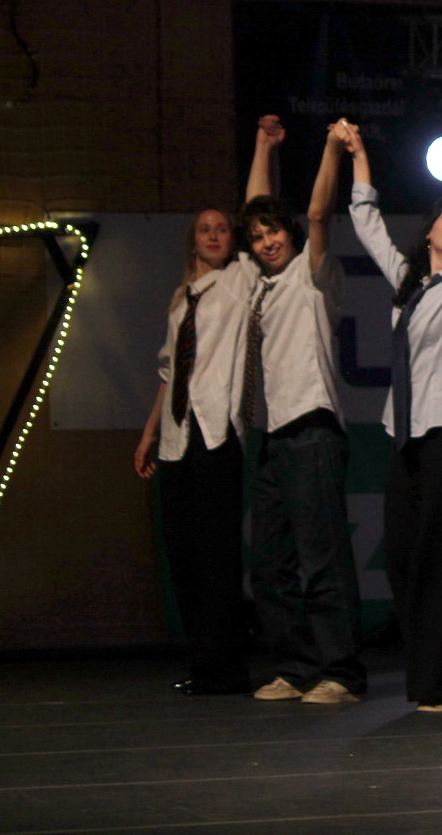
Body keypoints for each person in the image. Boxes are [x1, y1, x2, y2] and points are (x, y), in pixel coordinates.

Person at [343, 120, 442, 712]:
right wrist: (359, 152)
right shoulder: (409, 281)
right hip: (404, 434)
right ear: (428, 232)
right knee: (406, 558)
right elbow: (365, 222)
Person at [235, 115, 366, 705]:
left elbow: (317, 213)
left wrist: (331, 149)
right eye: (258, 236)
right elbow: (253, 206)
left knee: (323, 560)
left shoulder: (312, 276)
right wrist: (263, 146)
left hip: (313, 429)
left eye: (273, 232)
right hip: (272, 436)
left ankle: (343, 673)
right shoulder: (256, 283)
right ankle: (295, 666)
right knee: (269, 566)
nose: (267, 241)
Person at [133, 207, 255, 695]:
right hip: (176, 436)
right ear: (192, 241)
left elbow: (256, 199)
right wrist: (149, 434)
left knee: (216, 555)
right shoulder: (181, 298)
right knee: (182, 553)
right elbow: (169, 373)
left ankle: (228, 667)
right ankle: (204, 663)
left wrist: (263, 156)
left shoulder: (238, 280)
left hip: (215, 431)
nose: (214, 235)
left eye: (222, 228)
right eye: (205, 229)